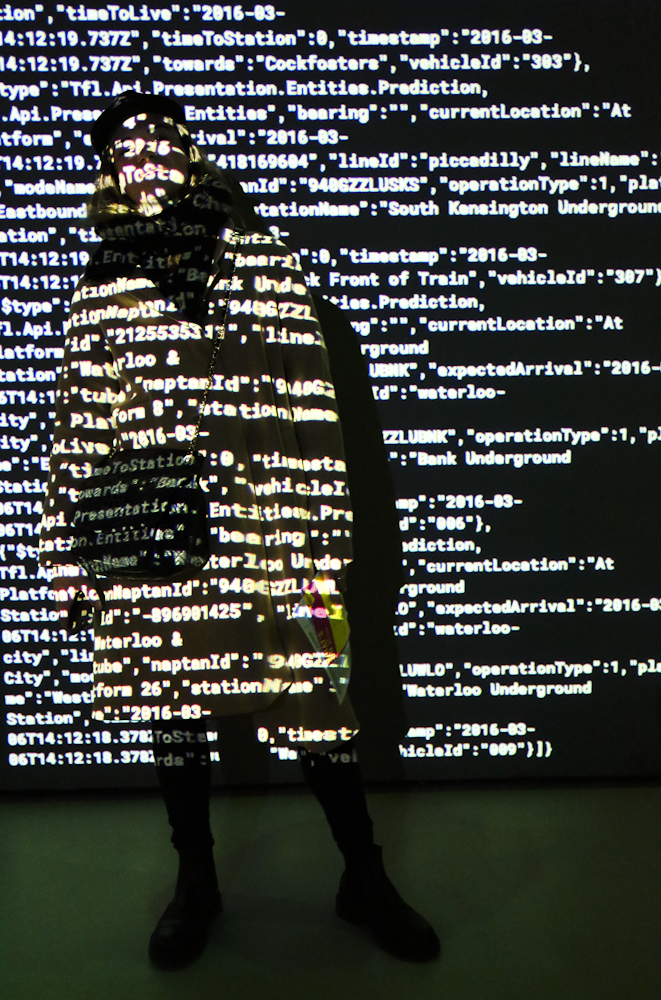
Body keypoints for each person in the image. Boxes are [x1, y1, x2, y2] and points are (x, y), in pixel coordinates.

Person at [39, 90, 439, 968]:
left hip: (272, 531)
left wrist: (324, 541)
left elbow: (314, 404)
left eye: (157, 141)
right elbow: (79, 425)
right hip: (152, 533)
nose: (143, 160)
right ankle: (197, 882)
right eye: (122, 150)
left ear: (189, 153)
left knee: (318, 702)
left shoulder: (262, 261)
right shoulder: (101, 286)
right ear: (109, 172)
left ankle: (363, 876)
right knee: (173, 710)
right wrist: (65, 550)